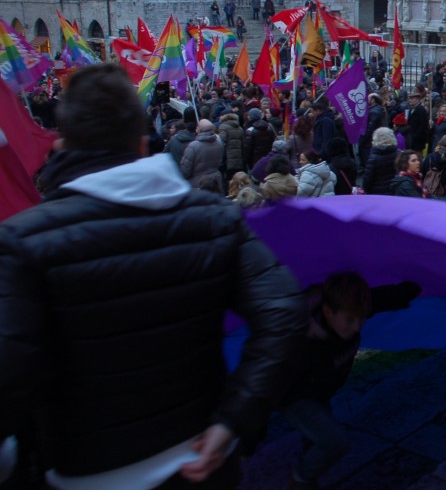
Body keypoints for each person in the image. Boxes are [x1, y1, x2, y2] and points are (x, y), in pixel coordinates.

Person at [0, 63, 305, 489]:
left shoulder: (21, 241)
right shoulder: (216, 217)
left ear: (61, 143)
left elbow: (10, 378)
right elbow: (285, 310)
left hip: (88, 474)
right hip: (204, 462)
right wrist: (235, 418)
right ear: (143, 143)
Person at [280, 272, 420, 490]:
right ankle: (300, 478)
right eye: (350, 320)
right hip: (296, 398)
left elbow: (381, 298)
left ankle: (308, 478)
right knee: (334, 441)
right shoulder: (303, 341)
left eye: (361, 318)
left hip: (321, 392)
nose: (357, 327)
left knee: (315, 441)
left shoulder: (350, 309)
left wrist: (407, 290)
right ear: (327, 312)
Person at [180, 118, 225, 190]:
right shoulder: (219, 142)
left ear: (200, 129)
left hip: (198, 183)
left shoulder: (193, 146)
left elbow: (185, 170)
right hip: (216, 181)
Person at [362, 127, 400, 195]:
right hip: (395, 190)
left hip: (378, 193)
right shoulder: (398, 154)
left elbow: (367, 180)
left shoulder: (373, 158)